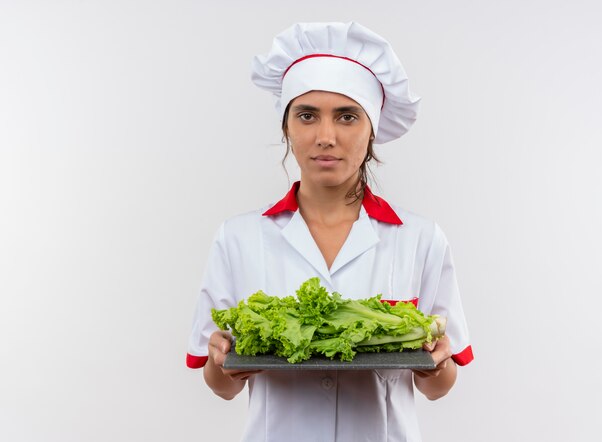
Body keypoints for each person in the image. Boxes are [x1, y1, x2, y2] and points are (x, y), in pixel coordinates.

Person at [187, 22, 473, 442]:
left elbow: (437, 387)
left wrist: (438, 362)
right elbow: (222, 385)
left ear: (371, 128)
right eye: (307, 116)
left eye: (346, 117)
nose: (326, 136)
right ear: (287, 127)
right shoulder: (238, 238)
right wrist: (222, 362)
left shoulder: (421, 239)